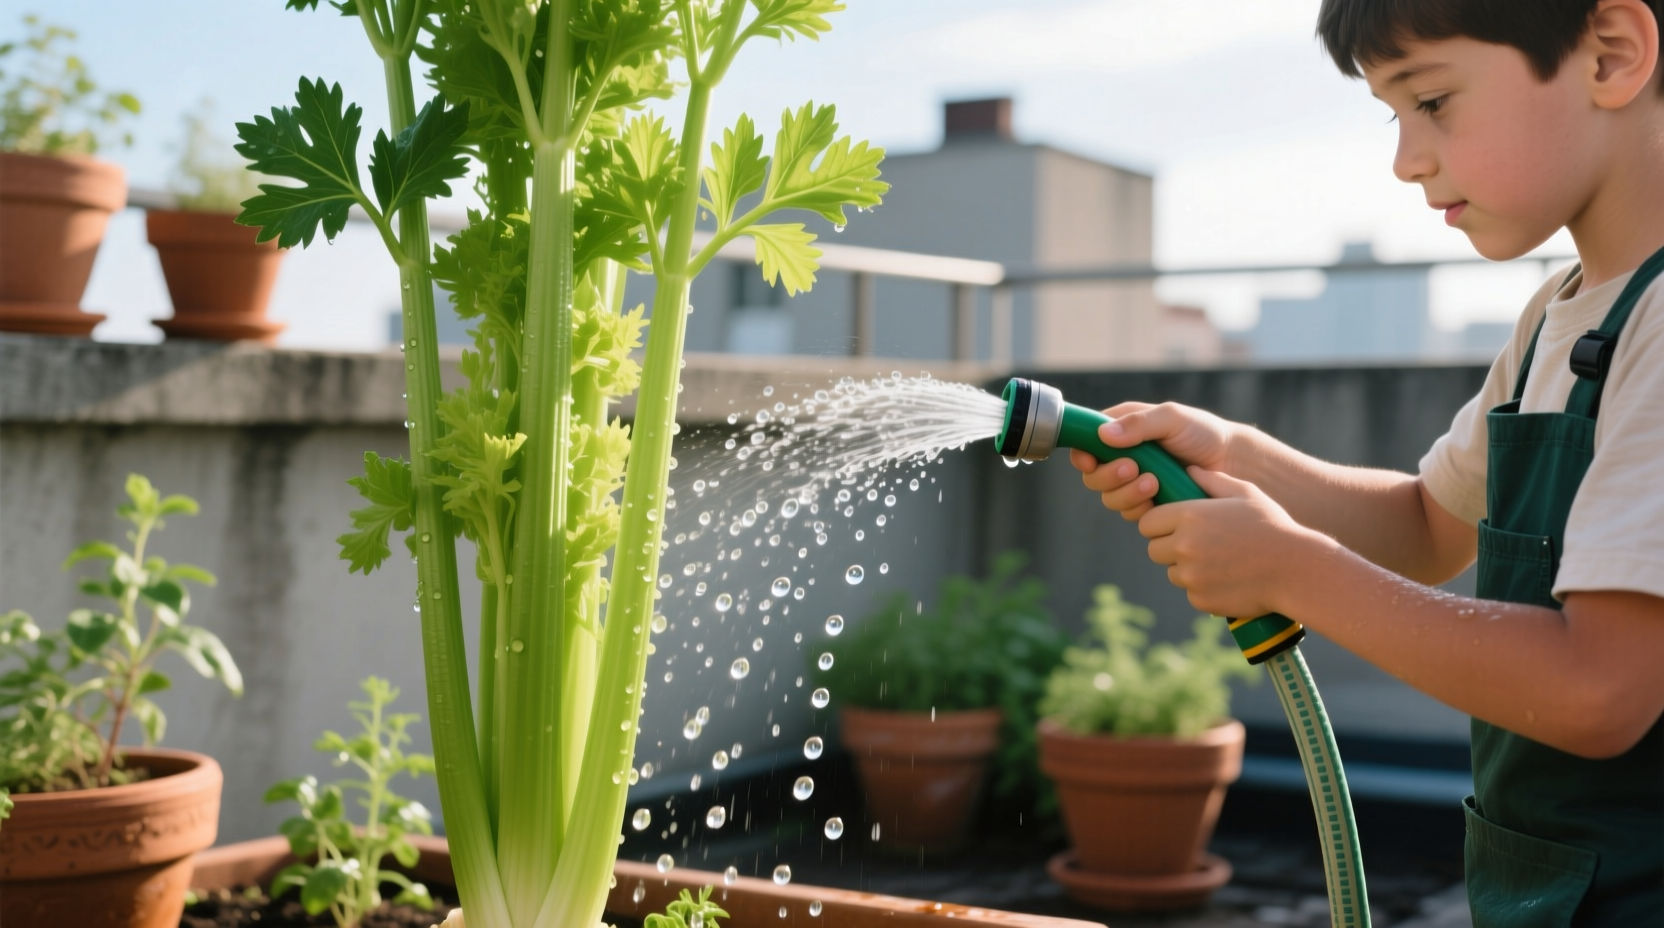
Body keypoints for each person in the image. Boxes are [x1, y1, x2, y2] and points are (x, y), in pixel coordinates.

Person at [1071, 1, 1664, 924]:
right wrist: (1240, 455)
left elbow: (1600, 691)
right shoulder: (1561, 312)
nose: (1406, 160)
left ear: (1612, 56)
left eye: (1432, 100)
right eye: (1395, 114)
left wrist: (1290, 569)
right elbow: (1428, 526)